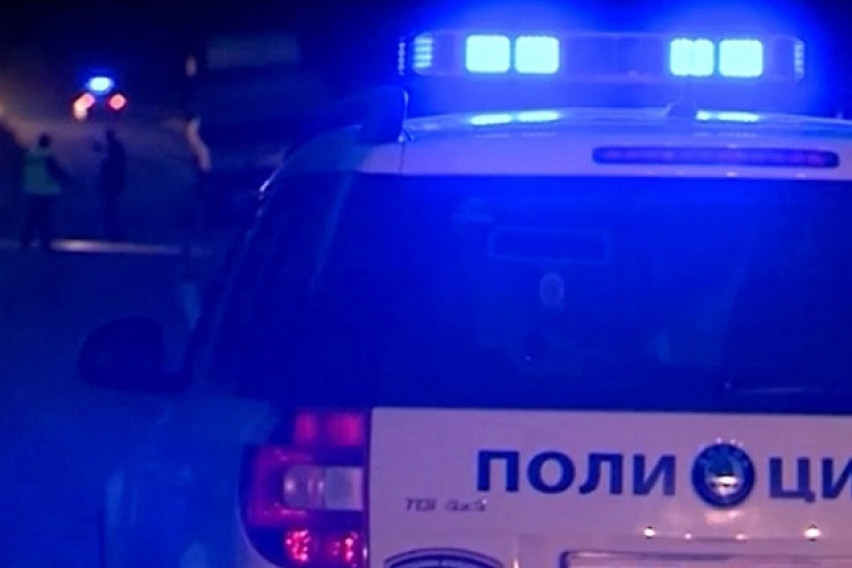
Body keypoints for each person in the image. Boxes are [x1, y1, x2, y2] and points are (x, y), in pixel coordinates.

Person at [19, 133, 66, 252]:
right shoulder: (47, 156)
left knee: (32, 217)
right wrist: (69, 180)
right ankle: (45, 242)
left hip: (31, 189)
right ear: (48, 143)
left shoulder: (30, 155)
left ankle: (26, 241)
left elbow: (21, 169)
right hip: (46, 191)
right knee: (45, 218)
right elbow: (55, 171)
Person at [97, 129, 126, 240]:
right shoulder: (115, 147)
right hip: (113, 181)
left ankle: (112, 231)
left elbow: (110, 165)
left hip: (110, 181)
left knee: (110, 206)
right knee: (111, 205)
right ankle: (112, 230)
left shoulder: (113, 149)